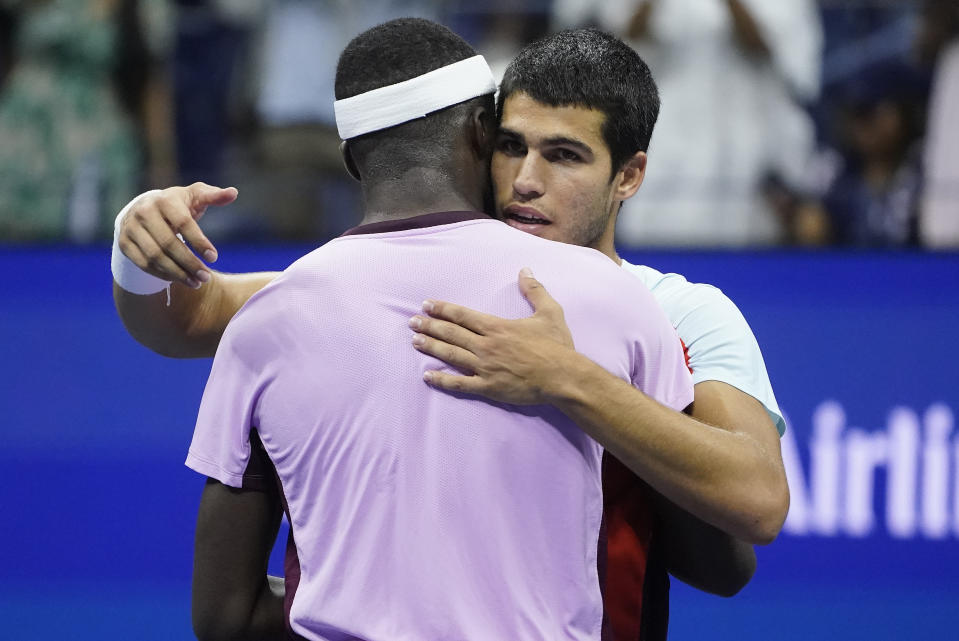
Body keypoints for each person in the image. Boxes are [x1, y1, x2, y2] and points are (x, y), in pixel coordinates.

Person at [112, 28, 789, 641]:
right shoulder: (355, 291)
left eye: (564, 156)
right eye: (509, 146)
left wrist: (568, 376)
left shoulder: (679, 311)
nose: (526, 180)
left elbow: (748, 515)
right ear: (476, 139)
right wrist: (137, 236)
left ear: (628, 176)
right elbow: (191, 315)